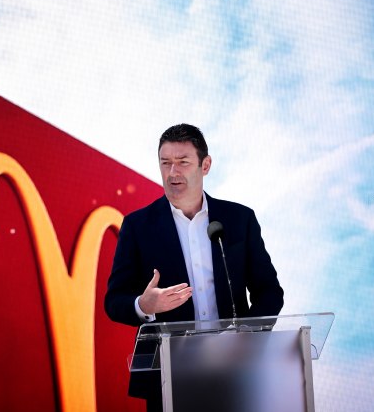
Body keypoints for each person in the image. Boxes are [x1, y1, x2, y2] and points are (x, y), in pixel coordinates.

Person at [104, 123, 284, 411]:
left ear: (206, 164)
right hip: (168, 378)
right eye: (166, 163)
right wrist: (144, 305)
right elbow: (114, 301)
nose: (173, 172)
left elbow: (269, 291)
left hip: (235, 371)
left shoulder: (239, 219)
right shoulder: (138, 226)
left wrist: (248, 337)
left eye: (183, 162)